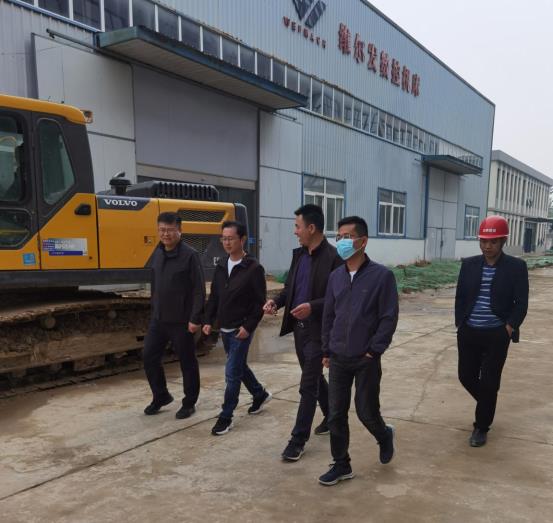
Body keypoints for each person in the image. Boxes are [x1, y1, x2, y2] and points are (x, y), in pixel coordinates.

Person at [319, 216, 398, 486]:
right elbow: (329, 315)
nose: (341, 242)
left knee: (366, 412)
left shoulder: (382, 276)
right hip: (338, 358)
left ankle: (384, 435)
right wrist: (326, 349)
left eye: (347, 237)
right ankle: (341, 464)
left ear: (362, 241)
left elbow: (388, 317)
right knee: (335, 414)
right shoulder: (335, 277)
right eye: (338, 236)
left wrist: (374, 351)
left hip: (366, 359)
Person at [263, 204, 342, 461]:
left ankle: (297, 440)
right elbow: (290, 288)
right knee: (315, 378)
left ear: (311, 228)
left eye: (298, 227)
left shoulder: (333, 258)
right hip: (299, 330)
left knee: (307, 385)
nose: (295, 231)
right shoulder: (299, 255)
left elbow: (338, 298)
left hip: (320, 332)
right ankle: (331, 416)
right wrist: (276, 302)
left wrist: (312, 307)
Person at [455, 215, 528, 447]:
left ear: (503, 241)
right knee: (466, 376)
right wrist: (460, 323)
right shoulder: (469, 265)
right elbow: (461, 296)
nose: (487, 246)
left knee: (489, 381)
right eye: (484, 241)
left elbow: (521, 303)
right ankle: (488, 402)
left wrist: (509, 327)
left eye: (493, 241)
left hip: (497, 333)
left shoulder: (516, 267)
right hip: (469, 331)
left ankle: (481, 427)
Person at [203, 221, 271, 436]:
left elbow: (259, 303)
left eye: (230, 238)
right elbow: (215, 297)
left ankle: (226, 416)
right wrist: (208, 320)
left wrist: (248, 327)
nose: (226, 242)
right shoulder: (222, 265)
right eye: (223, 238)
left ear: (242, 240)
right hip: (225, 327)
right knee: (239, 366)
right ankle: (259, 394)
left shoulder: (253, 268)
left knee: (232, 373)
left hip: (240, 329)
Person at [143, 212, 205, 419]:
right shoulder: (158, 252)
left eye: (170, 230)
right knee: (149, 356)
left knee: (187, 361)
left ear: (179, 230)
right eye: (162, 230)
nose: (166, 234)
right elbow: (155, 284)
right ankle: (161, 396)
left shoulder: (190, 255)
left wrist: (195, 318)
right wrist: (154, 308)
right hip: (159, 319)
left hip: (182, 321)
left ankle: (189, 402)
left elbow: (198, 290)